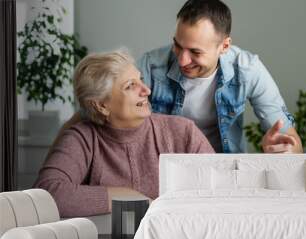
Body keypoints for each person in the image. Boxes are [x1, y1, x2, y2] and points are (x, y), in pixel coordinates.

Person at [56, 0, 302, 154]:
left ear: (224, 46)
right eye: (177, 45)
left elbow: (290, 138)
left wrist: (284, 149)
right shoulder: (152, 66)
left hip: (224, 172)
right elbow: (92, 110)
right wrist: (54, 163)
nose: (182, 60)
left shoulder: (248, 69)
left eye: (195, 52)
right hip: (166, 171)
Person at [34, 51, 214, 217]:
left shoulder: (182, 132)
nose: (146, 90)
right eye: (130, 86)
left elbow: (221, 188)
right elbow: (45, 194)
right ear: (102, 105)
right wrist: (128, 198)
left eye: (140, 80)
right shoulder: (83, 139)